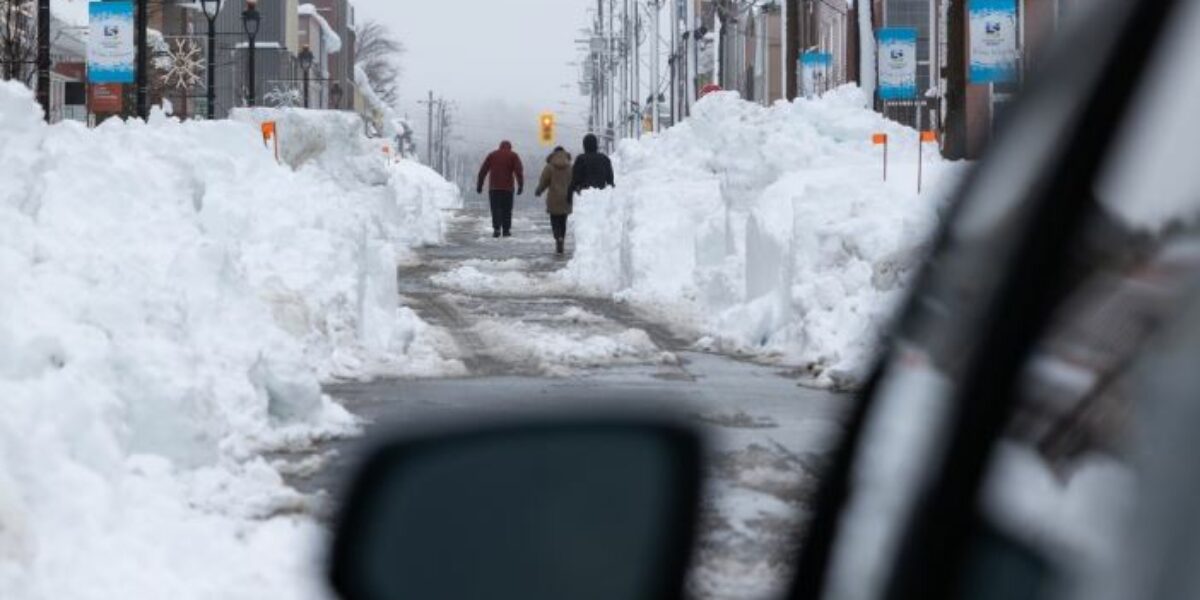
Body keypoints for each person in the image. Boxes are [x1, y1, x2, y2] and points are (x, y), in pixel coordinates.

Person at [476, 140, 524, 238]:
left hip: (494, 188)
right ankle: (506, 230)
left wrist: (479, 185)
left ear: (500, 146)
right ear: (510, 147)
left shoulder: (492, 155)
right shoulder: (513, 156)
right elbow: (519, 171)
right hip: (508, 188)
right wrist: (520, 185)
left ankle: (496, 229)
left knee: (495, 209)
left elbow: (483, 171)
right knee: (507, 209)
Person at [535, 147, 574, 254]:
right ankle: (562, 237)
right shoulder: (570, 167)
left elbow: (544, 182)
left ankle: (558, 238)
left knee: (554, 220)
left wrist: (539, 190)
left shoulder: (549, 167)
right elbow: (574, 181)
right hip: (566, 199)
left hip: (553, 198)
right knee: (563, 221)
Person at [570, 133, 614, 200]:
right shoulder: (605, 159)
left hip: (584, 198)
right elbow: (610, 181)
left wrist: (570, 194)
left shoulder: (580, 159)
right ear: (596, 144)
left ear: (584, 145)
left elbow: (575, 179)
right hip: (602, 198)